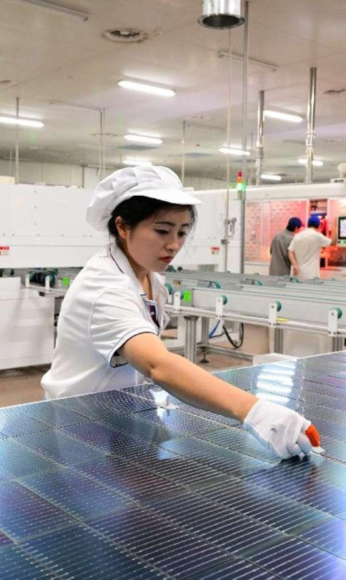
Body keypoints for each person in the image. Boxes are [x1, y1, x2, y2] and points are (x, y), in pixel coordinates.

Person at [42, 166, 322, 458]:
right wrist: (254, 410)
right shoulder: (105, 288)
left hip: (118, 413)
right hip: (78, 422)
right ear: (123, 227)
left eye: (182, 232)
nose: (174, 244)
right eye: (162, 231)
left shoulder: (151, 278)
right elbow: (157, 364)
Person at [289, 215, 332, 281]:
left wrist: (295, 265)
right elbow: (331, 242)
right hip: (311, 274)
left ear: (308, 224)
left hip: (297, 273)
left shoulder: (297, 236)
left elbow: (290, 251)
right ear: (319, 226)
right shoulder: (317, 236)